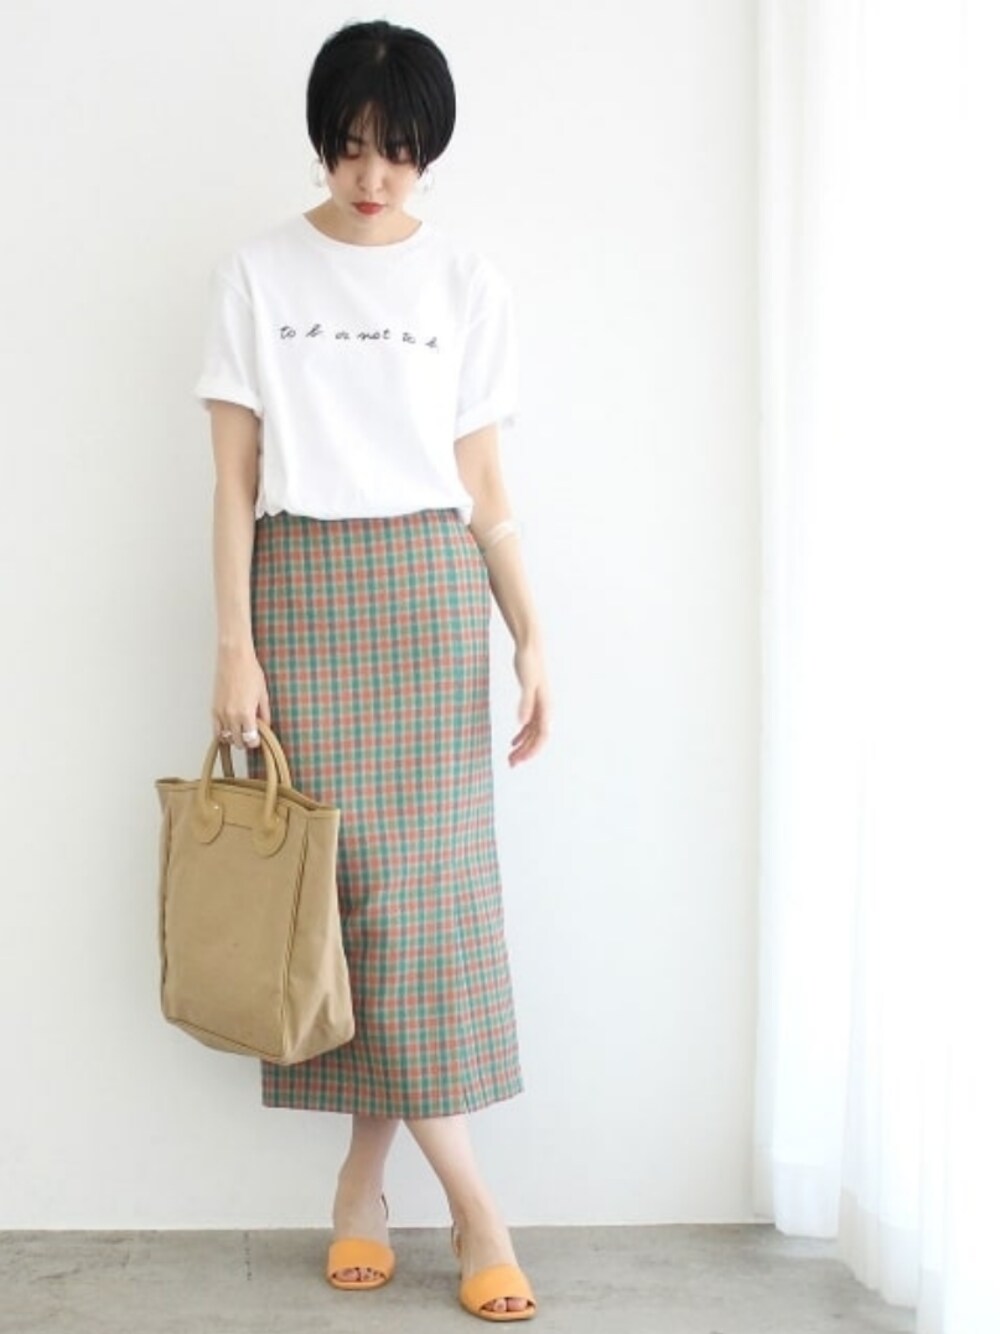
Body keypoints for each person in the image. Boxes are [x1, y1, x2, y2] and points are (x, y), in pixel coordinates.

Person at [194, 18, 550, 1323]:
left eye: (396, 152)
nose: (371, 176)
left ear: (427, 153)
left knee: (420, 908)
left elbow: (485, 485)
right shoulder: (255, 272)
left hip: (429, 597)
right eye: (349, 147)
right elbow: (234, 479)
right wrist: (233, 644)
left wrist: (532, 633)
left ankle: (363, 1184)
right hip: (302, 590)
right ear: (322, 141)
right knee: (342, 903)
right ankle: (475, 1208)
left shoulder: (465, 281)